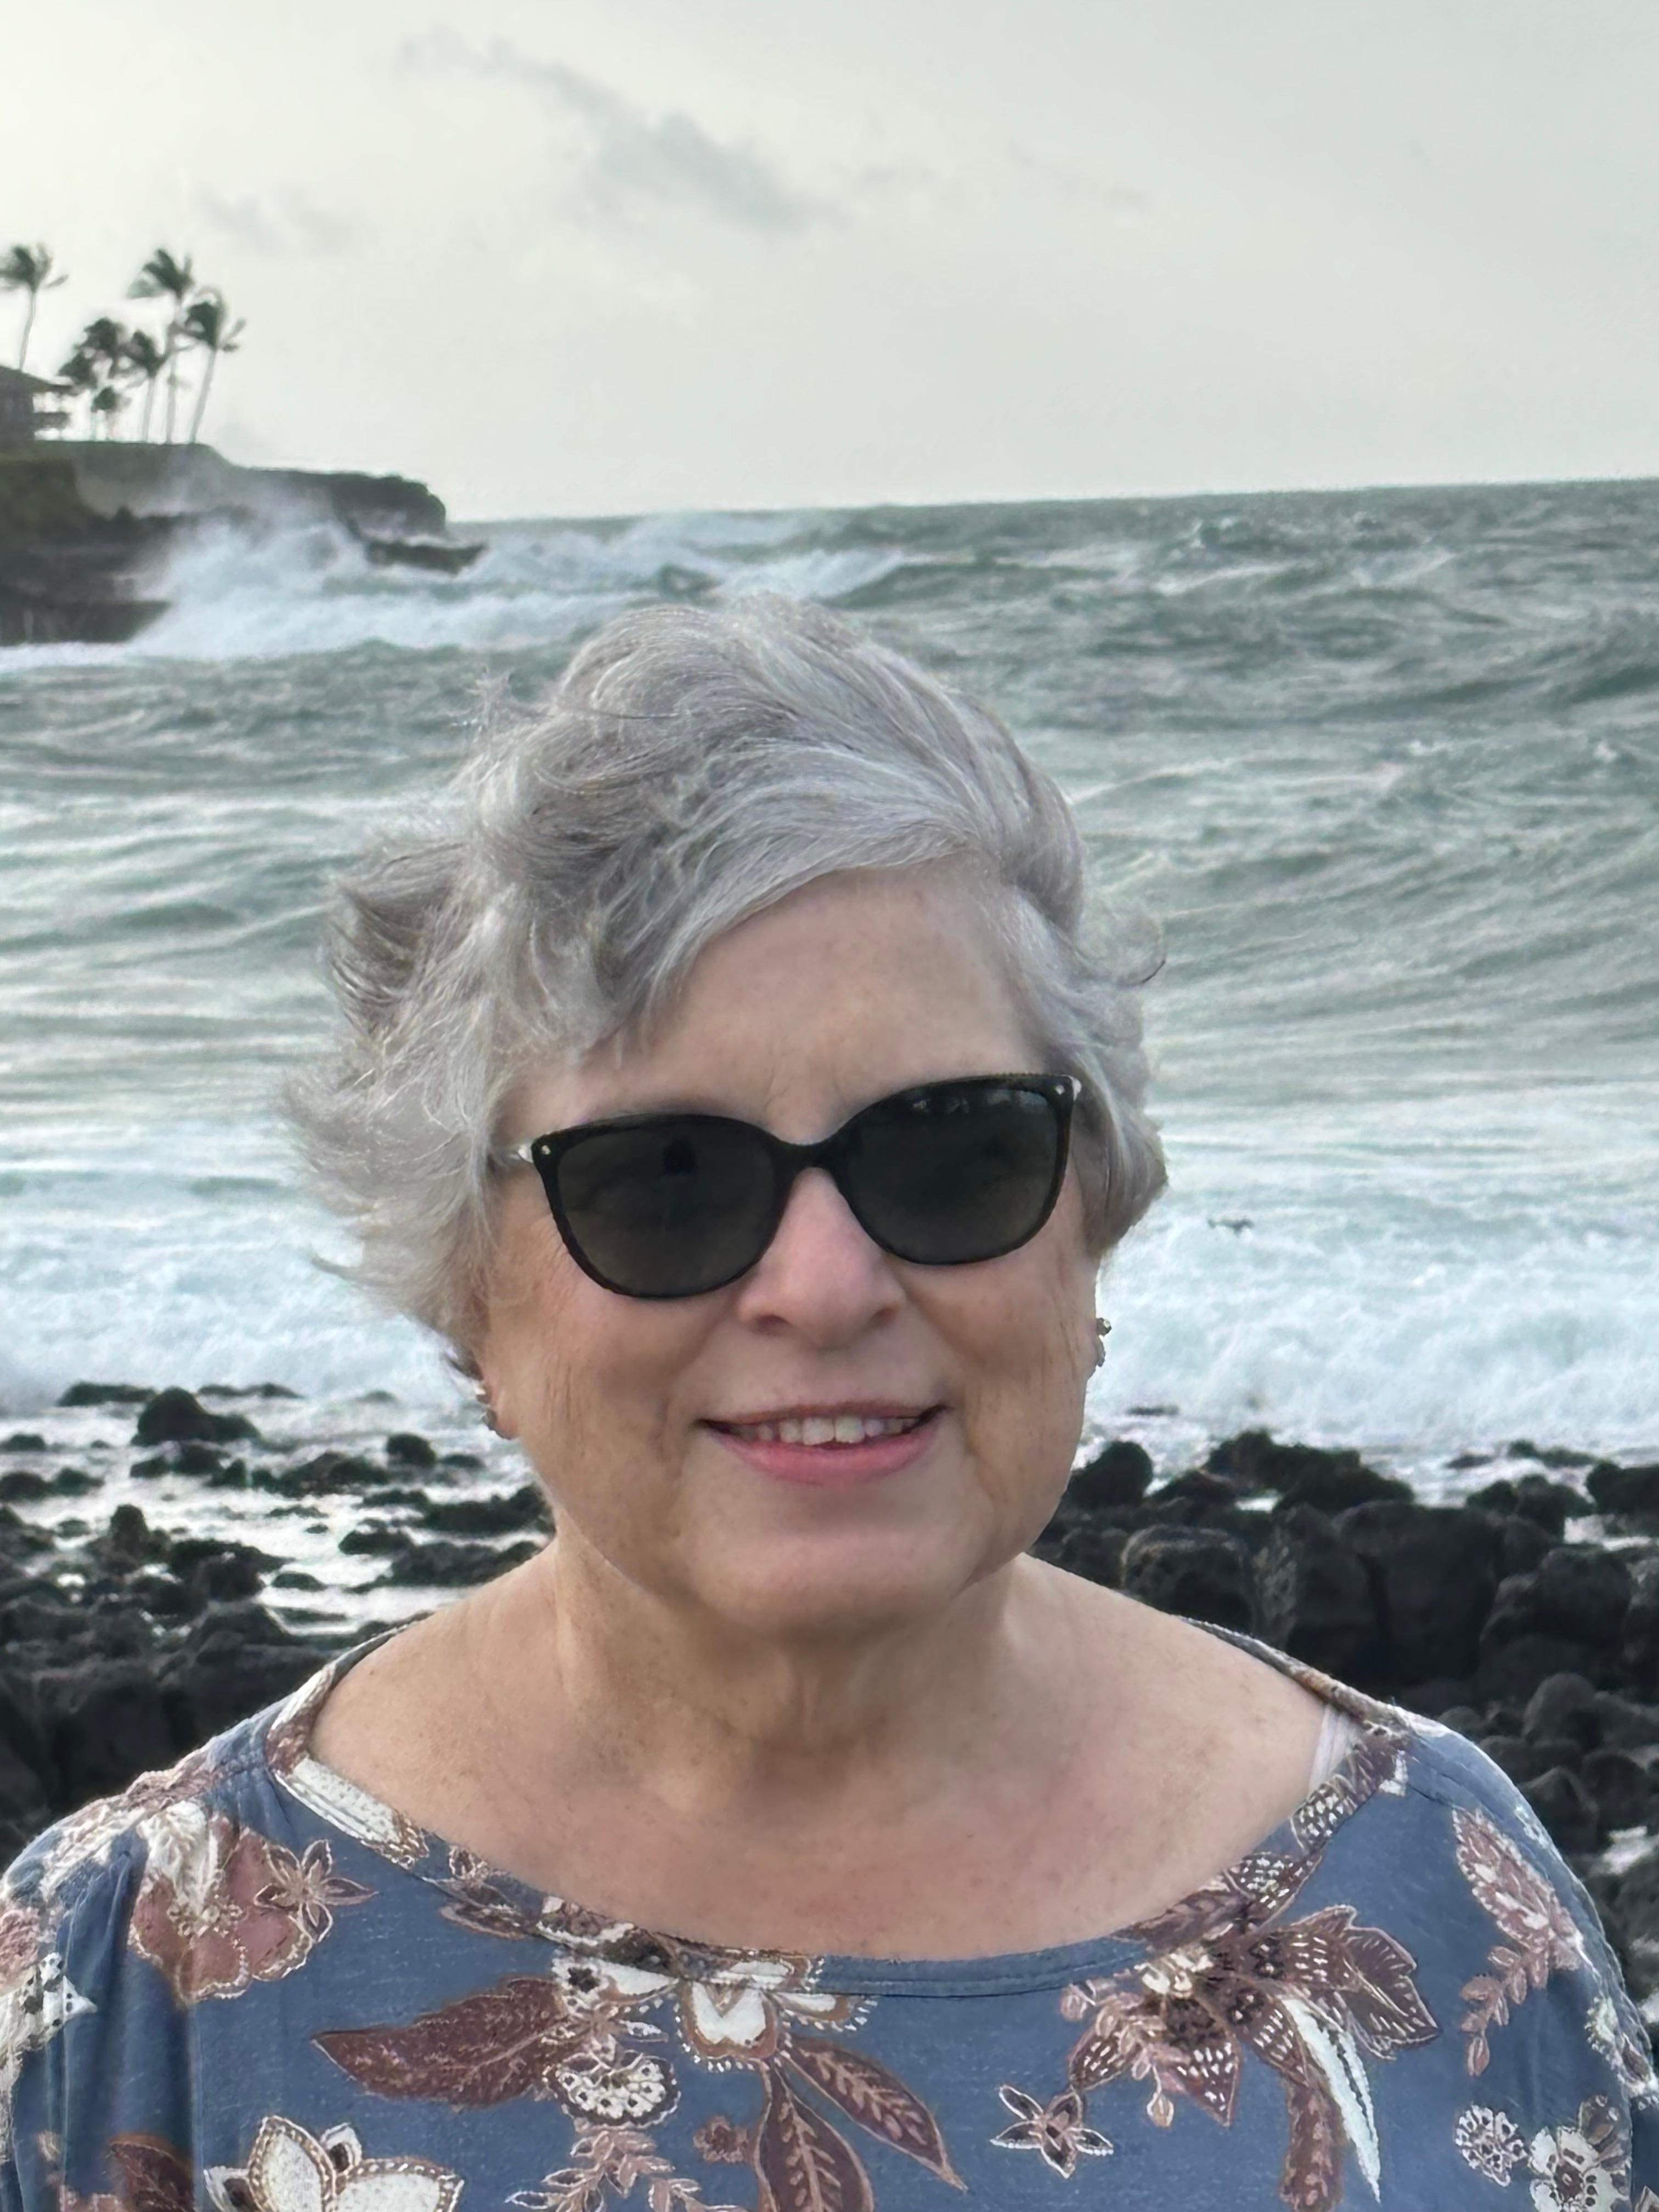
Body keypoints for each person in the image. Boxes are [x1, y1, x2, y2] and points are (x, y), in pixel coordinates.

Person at [2, 599, 1651, 2211]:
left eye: (951, 1145)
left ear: (1091, 1210)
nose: (825, 1283)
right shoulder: (133, 1988)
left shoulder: (1448, 1901)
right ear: (464, 1285)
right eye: (666, 1179)